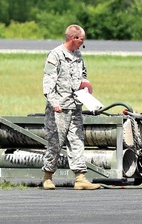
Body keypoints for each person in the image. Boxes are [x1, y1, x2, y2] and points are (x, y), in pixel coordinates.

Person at [41, 24, 100, 190]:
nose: (83, 43)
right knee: (55, 142)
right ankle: (47, 176)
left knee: (77, 141)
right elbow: (48, 81)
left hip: (75, 106)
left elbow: (83, 77)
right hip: (59, 108)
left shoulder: (78, 55)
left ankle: (80, 178)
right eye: (82, 40)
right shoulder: (55, 55)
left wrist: (87, 88)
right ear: (74, 38)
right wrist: (54, 103)